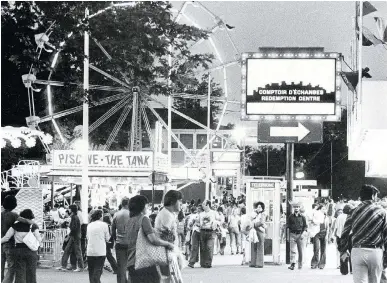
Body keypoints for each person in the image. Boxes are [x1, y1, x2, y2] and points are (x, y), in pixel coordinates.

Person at [339, 185, 387, 283]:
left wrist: (343, 250)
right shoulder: (382, 212)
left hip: (357, 251)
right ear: (373, 196)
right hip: (375, 252)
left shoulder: (352, 212)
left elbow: (344, 234)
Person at [127, 195, 174, 283]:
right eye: (146, 205)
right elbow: (153, 240)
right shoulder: (144, 219)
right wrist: (168, 244)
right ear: (142, 206)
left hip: (131, 261)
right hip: (143, 262)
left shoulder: (129, 220)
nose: (147, 207)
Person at [1, 209, 42, 283]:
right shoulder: (33, 225)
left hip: (18, 251)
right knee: (31, 272)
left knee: (20, 272)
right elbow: (39, 238)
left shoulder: (15, 225)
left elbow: (6, 238)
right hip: (31, 251)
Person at [57, 204, 84, 272]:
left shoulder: (74, 217)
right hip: (75, 236)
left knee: (75, 251)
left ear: (71, 210)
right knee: (69, 251)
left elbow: (74, 228)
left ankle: (79, 267)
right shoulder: (74, 217)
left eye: (69, 209)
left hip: (74, 236)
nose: (68, 210)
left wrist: (69, 236)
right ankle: (66, 266)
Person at [87, 210, 110, 283]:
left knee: (91, 271)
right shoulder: (104, 225)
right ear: (100, 216)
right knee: (97, 271)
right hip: (100, 251)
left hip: (90, 251)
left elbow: (87, 237)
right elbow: (107, 238)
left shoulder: (89, 225)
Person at [111, 197, 130, 283]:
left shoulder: (116, 214)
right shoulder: (132, 214)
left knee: (121, 268)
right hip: (131, 243)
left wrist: (115, 239)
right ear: (128, 204)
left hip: (120, 243)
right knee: (131, 267)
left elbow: (113, 230)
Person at [197, 200, 219, 268]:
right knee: (203, 247)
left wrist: (215, 223)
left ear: (208, 205)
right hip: (202, 231)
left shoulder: (214, 213)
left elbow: (220, 220)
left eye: (204, 204)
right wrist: (198, 224)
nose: (202, 206)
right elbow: (197, 222)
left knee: (209, 247)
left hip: (211, 231)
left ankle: (208, 263)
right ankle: (202, 263)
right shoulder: (201, 214)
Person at [288, 201, 308, 270]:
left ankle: (300, 265)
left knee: (300, 251)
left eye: (298, 207)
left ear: (299, 208)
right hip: (292, 234)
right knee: (292, 250)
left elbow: (305, 226)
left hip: (300, 235)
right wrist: (288, 235)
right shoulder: (290, 216)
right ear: (293, 208)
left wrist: (303, 234)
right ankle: (293, 264)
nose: (296, 208)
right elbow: (288, 226)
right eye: (295, 207)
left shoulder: (303, 217)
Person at [311, 205, 330, 269]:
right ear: (320, 209)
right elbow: (313, 222)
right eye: (323, 209)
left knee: (323, 250)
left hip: (324, 233)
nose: (324, 210)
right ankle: (314, 263)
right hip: (317, 234)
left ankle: (322, 264)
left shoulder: (326, 218)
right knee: (316, 249)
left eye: (325, 209)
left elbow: (328, 227)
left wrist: (327, 235)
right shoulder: (316, 216)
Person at [250, 201, 266, 268]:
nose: (258, 208)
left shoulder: (263, 214)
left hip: (260, 230)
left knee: (260, 246)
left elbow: (262, 222)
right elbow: (250, 218)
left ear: (262, 208)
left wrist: (254, 224)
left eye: (260, 207)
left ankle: (259, 263)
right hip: (254, 231)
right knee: (254, 246)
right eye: (257, 207)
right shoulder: (255, 214)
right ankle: (253, 262)